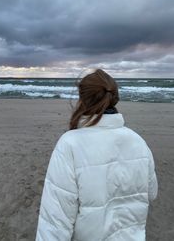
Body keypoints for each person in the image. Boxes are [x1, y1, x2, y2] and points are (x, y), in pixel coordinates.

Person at [35, 69, 158, 241]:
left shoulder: (70, 143)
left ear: (82, 99)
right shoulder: (137, 141)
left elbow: (56, 219)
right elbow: (151, 193)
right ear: (114, 97)